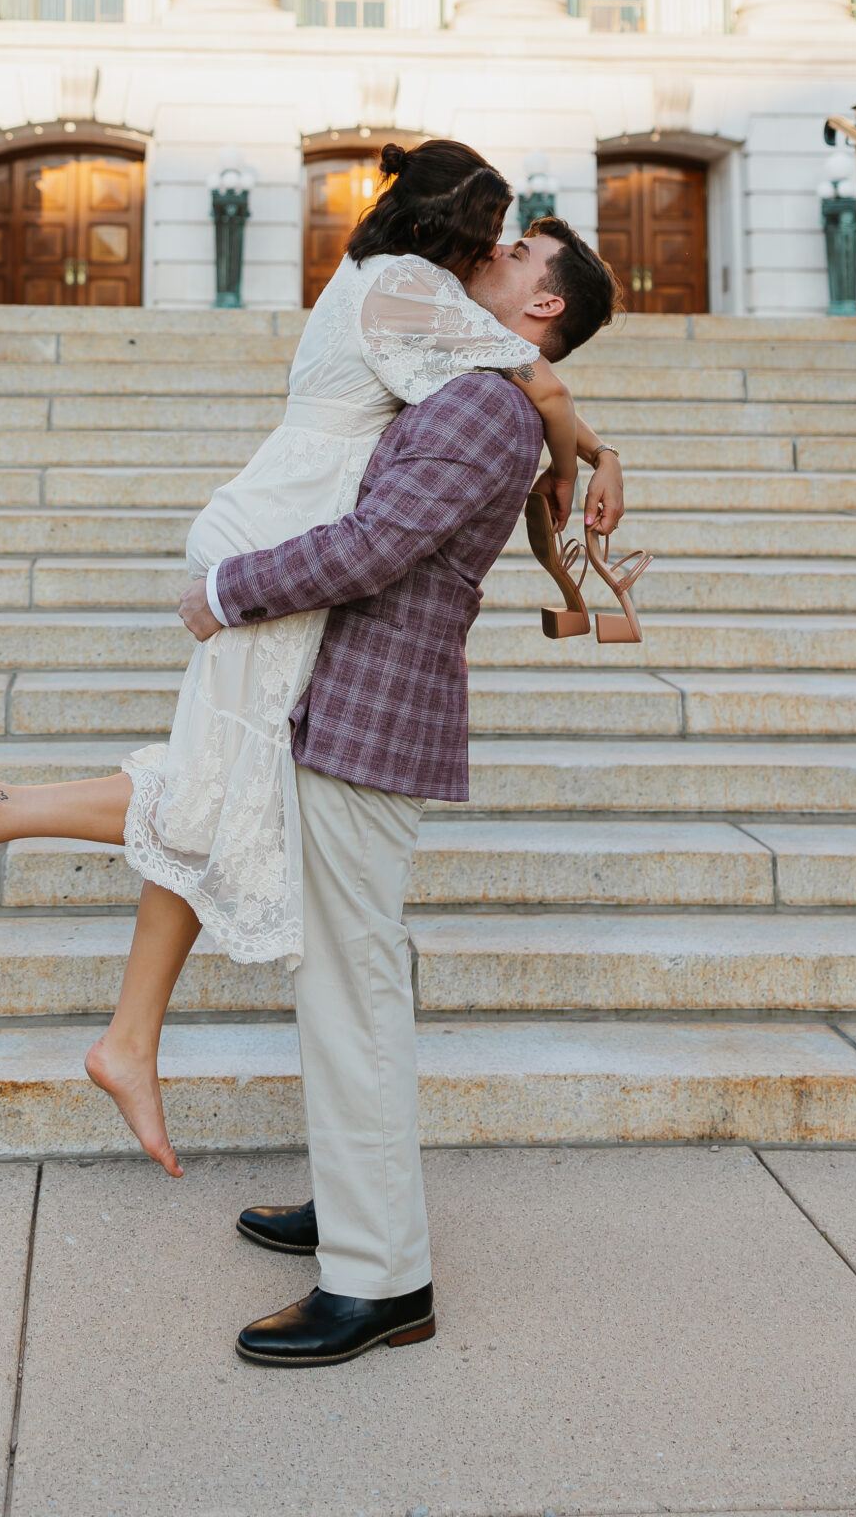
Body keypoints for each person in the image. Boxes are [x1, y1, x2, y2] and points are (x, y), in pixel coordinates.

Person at [0, 144, 621, 1173]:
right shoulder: (408, 290)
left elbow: (526, 377)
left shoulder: (392, 284)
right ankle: (1, 816)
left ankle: (128, 1038)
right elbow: (538, 380)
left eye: (522, 250)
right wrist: (586, 452)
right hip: (277, 542)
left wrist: (578, 452)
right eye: (501, 233)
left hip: (278, 532)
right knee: (214, 787)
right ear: (460, 229)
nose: (503, 251)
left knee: (223, 784)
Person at [190, 297, 588, 1366]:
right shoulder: (472, 386)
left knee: (354, 986)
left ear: (541, 300)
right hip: (357, 711)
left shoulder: (481, 406)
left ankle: (381, 1281)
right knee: (345, 976)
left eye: (509, 250)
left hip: (370, 719)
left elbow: (376, 545)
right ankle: (353, 1196)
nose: (479, 259)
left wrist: (229, 588)